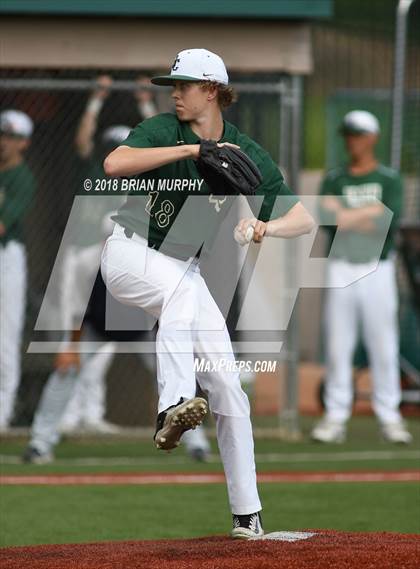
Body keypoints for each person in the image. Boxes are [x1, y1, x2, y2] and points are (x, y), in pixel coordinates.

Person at [101, 48, 314, 539]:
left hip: (182, 269)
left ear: (213, 90)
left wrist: (266, 229)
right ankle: (171, 404)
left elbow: (302, 218)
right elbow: (114, 164)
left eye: (185, 85)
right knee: (177, 291)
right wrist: (192, 152)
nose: (175, 93)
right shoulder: (163, 130)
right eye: (172, 85)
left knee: (228, 390)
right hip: (131, 255)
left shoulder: (243, 149)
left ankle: (247, 515)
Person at [23, 214, 210, 463]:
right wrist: (70, 347)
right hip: (95, 326)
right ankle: (39, 443)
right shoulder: (86, 263)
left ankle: (196, 444)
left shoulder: (152, 262)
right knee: (65, 371)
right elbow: (77, 308)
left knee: (175, 370)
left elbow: (167, 307)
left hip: (142, 329)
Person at [311, 110, 412, 445]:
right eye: (348, 135)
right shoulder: (335, 178)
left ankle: (390, 416)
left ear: (373, 137)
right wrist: (368, 213)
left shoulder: (389, 179)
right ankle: (335, 416)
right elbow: (327, 219)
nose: (351, 141)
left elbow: (387, 222)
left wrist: (347, 215)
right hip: (341, 265)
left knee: (383, 343)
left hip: (378, 267)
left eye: (357, 134)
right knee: (339, 345)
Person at [0, 109, 36, 432]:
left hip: (7, 258)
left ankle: (3, 412)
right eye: (2, 135)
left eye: (11, 137)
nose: (4, 142)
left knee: (6, 334)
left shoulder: (22, 178)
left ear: (23, 143)